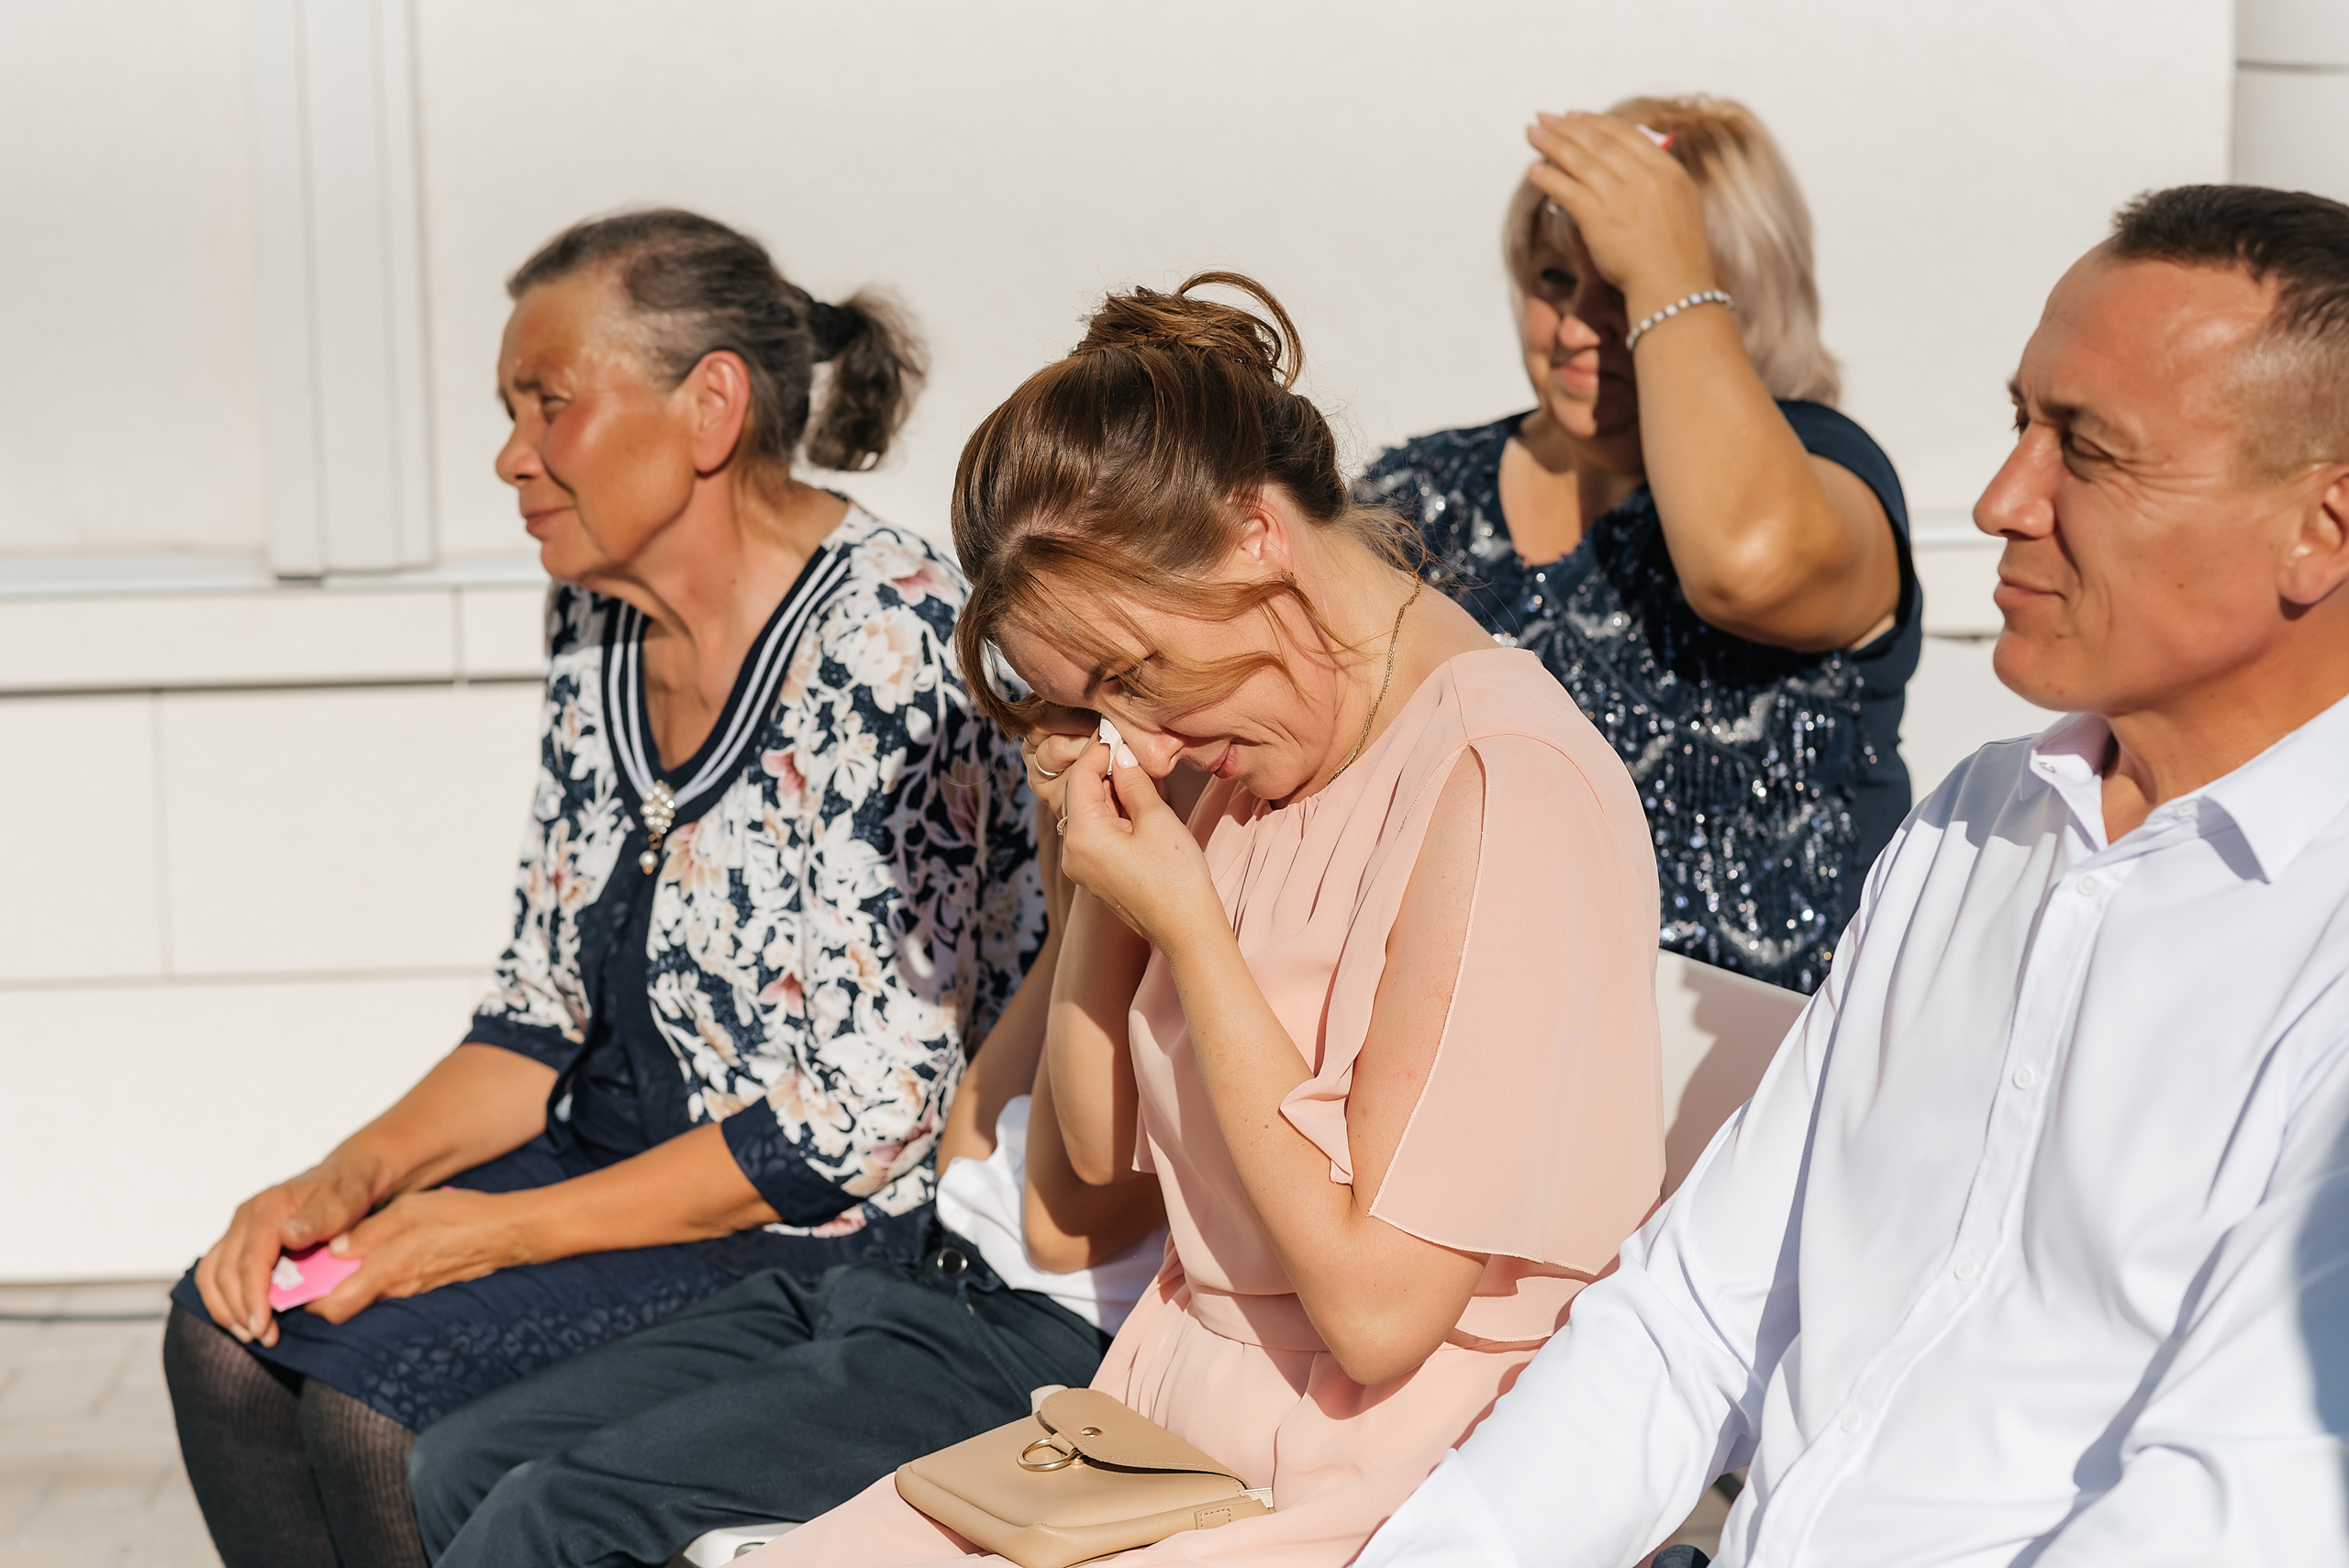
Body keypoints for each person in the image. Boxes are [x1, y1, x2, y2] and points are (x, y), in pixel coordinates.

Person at [1359, 183, 2349, 1567]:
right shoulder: (1978, 823)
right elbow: (1693, 1312)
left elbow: (2226, 1515)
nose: (2006, 500)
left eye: (2092, 450)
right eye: (2019, 422)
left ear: (2325, 529)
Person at [160, 209, 1042, 1568]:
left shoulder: (902, 637)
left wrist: (488, 1234)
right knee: (228, 1329)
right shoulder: (596, 615)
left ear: (710, 407)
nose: (511, 456)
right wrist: (345, 1180)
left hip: (816, 1237)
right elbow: (538, 1009)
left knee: (367, 1418)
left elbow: (858, 1122)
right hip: (614, 1162)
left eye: (547, 405)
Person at [751, 272, 1666, 1568]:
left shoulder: (1501, 788)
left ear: (1253, 533)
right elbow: (1083, 1203)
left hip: (1397, 1471)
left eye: (1132, 674)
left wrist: (1191, 931)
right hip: (1156, 1424)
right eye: (1095, 701)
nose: (1143, 732)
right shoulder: (1227, 751)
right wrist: (1094, 881)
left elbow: (1379, 1316)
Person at [404, 786, 1178, 1568]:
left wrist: (1094, 917)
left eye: (1073, 723)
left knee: (549, 1513)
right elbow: (964, 1156)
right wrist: (1065, 911)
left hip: (1033, 1357)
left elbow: (1062, 1219)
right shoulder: (1090, 896)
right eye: (1034, 731)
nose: (1051, 769)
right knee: (458, 1460)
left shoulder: (1187, 919)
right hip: (917, 1285)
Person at [1357, 96, 1919, 992]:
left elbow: (1749, 563)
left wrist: (1666, 270)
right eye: (1551, 280)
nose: (1579, 327)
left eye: (1624, 285)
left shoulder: (1821, 467)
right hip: (1494, 1059)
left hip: (1766, 1079)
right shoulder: (1420, 492)